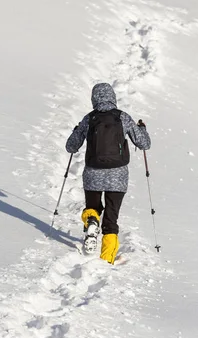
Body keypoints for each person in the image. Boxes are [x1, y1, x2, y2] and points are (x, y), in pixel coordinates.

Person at [65, 83, 151, 264]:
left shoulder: (89, 119)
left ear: (94, 98)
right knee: (111, 218)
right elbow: (144, 143)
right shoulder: (123, 117)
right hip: (118, 176)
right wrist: (142, 129)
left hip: (93, 174)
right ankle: (106, 260)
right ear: (113, 97)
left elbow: (71, 147)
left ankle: (92, 222)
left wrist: (76, 131)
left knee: (93, 208)